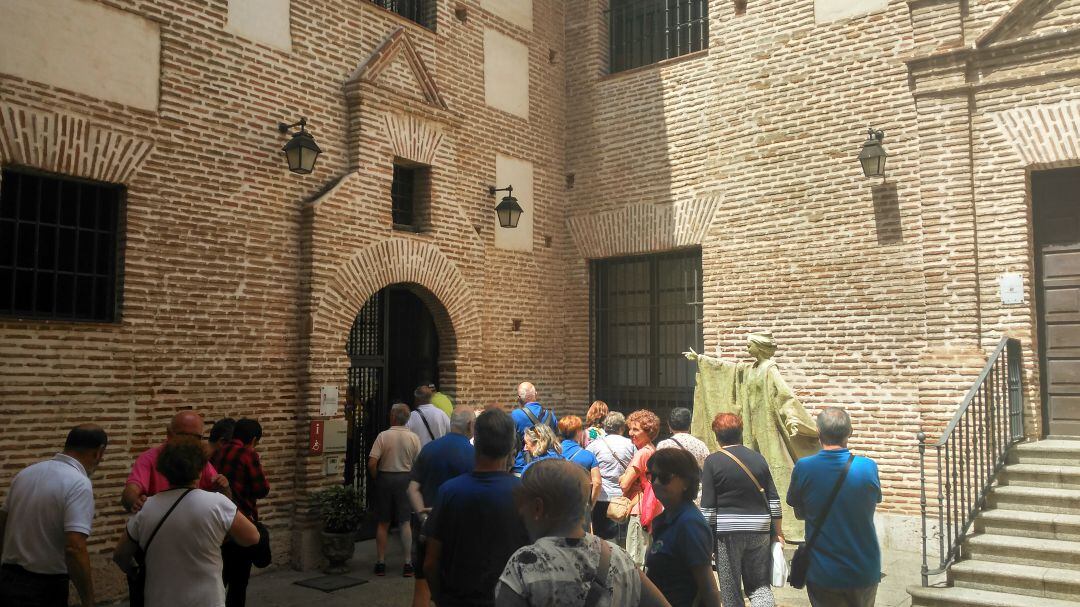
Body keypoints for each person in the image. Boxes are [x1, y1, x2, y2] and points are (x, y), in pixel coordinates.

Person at [684, 332, 819, 541]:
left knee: (774, 468)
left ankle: (787, 525)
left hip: (768, 426)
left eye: (750, 345)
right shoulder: (752, 368)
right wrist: (702, 360)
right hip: (751, 424)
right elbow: (730, 370)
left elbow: (784, 395)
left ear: (760, 347)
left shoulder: (769, 369)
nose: (747, 349)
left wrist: (792, 419)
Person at [494, 459, 671, 607]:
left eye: (522, 504)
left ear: (538, 508)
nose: (520, 511)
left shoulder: (525, 563)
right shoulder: (619, 557)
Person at [114, 437, 260, 607]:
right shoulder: (217, 503)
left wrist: (135, 572)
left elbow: (120, 556)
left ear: (163, 469)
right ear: (200, 469)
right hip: (206, 600)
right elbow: (252, 537)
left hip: (159, 599)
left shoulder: (145, 509)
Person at [425, 408, 530, 607]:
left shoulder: (449, 492)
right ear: (511, 447)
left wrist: (440, 599)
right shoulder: (525, 494)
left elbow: (431, 562)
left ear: (475, 442)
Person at [0, 425, 107, 607]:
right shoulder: (79, 483)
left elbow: (3, 522)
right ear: (99, 452)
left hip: (8, 579)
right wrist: (88, 600)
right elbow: (75, 547)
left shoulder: (26, 474)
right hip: (44, 588)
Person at [787, 407, 881, 607]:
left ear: (818, 434)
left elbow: (798, 510)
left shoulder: (804, 467)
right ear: (850, 433)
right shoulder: (868, 467)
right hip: (864, 568)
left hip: (823, 571)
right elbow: (871, 504)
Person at [700, 413, 781, 607]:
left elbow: (708, 508)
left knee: (730, 588)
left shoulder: (712, 461)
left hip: (727, 533)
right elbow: (774, 501)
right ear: (740, 433)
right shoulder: (758, 459)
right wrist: (778, 533)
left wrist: (707, 540)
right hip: (759, 528)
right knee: (759, 585)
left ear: (717, 436)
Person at [407, 406, 476, 607]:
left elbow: (412, 489)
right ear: (471, 425)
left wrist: (424, 518)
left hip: (426, 529)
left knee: (421, 585)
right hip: (457, 532)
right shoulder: (472, 454)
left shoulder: (429, 449)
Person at [645, 449, 721, 607]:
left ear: (686, 482)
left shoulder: (690, 524)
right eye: (652, 476)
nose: (657, 483)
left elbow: (708, 587)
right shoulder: (664, 519)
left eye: (665, 477)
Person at [209, 418, 270, 607]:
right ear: (252, 440)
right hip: (240, 521)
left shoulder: (217, 451)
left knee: (220, 577)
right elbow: (262, 489)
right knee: (239, 583)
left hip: (216, 522)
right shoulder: (247, 455)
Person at [121, 410, 229, 514]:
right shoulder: (149, 459)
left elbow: (224, 499)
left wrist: (223, 486)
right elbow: (131, 491)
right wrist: (135, 501)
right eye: (184, 436)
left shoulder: (198, 458)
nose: (189, 442)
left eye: (195, 438)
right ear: (169, 434)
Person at [369, 402, 422, 577]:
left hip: (385, 478)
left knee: (383, 522)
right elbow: (418, 463)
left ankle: (381, 562)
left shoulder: (383, 436)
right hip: (405, 479)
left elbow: (372, 462)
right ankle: (407, 563)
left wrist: (377, 476)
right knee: (405, 522)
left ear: (392, 416)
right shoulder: (414, 438)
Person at [587, 412, 637, 542]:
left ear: (605, 427)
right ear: (622, 428)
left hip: (601, 497)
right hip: (623, 498)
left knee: (601, 539)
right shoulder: (630, 445)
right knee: (623, 539)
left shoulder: (594, 445)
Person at [619, 409, 660, 568]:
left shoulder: (642, 453)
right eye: (630, 428)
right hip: (650, 509)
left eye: (636, 429)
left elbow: (624, 484)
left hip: (639, 510)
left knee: (635, 558)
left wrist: (622, 477)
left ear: (648, 432)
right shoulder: (652, 450)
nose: (630, 433)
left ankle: (636, 592)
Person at [510, 382, 558, 474]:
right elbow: (556, 439)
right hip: (548, 467)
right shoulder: (550, 415)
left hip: (522, 467)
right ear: (536, 394)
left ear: (519, 398)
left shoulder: (515, 415)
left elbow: (511, 442)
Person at [557, 415, 602, 511]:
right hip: (580, 506)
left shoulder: (552, 453)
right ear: (578, 432)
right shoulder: (588, 456)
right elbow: (597, 483)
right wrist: (590, 506)